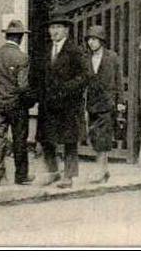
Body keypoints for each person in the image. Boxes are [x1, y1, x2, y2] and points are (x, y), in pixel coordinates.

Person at [38, 16, 91, 189]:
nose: (54, 31)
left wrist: (67, 88)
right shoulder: (46, 50)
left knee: (69, 139)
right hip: (48, 102)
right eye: (52, 27)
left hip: (68, 103)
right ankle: (53, 171)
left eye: (58, 27)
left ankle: (69, 175)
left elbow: (86, 75)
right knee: (47, 138)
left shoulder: (75, 50)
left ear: (67, 30)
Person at [0, 19, 34, 186]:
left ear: (7, 36)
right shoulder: (22, 57)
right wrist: (29, 103)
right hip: (16, 105)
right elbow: (23, 86)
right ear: (21, 38)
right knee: (20, 139)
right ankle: (21, 176)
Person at [84, 25, 121, 184]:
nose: (91, 43)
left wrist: (120, 102)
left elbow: (118, 80)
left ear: (101, 40)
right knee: (94, 136)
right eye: (89, 40)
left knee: (103, 138)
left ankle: (100, 171)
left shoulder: (112, 57)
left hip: (107, 103)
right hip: (92, 103)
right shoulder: (86, 58)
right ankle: (105, 171)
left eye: (94, 39)